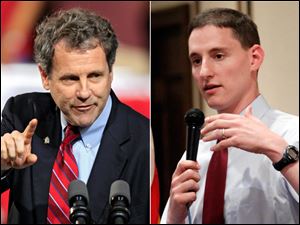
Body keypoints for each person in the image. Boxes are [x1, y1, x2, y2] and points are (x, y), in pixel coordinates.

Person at [1, 8, 149, 224]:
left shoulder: (141, 140)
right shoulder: (22, 114)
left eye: (95, 76)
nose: (84, 93)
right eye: (70, 79)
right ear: (45, 77)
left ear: (111, 72)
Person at [160, 8, 299, 224]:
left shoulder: (291, 133)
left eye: (218, 56)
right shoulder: (194, 154)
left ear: (254, 58)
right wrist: (174, 216)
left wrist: (277, 150)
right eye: (196, 60)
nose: (204, 72)